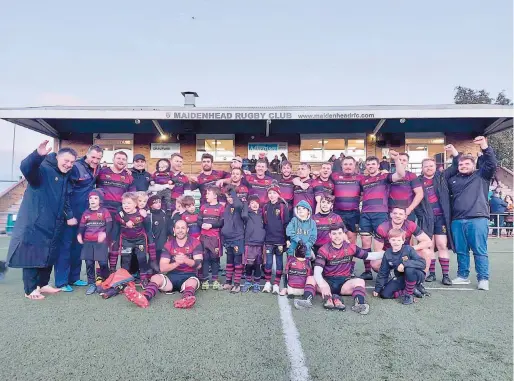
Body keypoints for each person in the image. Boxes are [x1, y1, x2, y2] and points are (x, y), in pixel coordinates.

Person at [6, 141, 77, 300]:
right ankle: (30, 289)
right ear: (57, 157)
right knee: (32, 254)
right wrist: (37, 155)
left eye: (72, 162)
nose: (69, 164)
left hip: (54, 222)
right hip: (36, 222)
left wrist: (69, 215)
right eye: (66, 161)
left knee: (50, 253)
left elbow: (64, 198)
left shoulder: (65, 175)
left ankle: (43, 284)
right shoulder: (43, 169)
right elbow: (26, 168)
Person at [448, 136, 497, 290]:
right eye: (461, 164)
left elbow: (491, 163)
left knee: (479, 250)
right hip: (457, 220)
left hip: (477, 219)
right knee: (461, 251)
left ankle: (483, 279)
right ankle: (463, 276)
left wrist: (484, 146)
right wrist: (455, 155)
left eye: (467, 163)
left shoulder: (481, 176)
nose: (463, 166)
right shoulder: (452, 179)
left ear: (473, 164)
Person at [123, 219, 203, 309]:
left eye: (183, 228)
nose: (180, 230)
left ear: (187, 230)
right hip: (172, 277)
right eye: (178, 228)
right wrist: (177, 263)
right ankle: (144, 298)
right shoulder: (168, 244)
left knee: (192, 282)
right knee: (155, 277)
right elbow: (163, 268)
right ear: (174, 230)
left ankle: (186, 299)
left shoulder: (195, 242)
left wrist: (186, 260)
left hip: (189, 276)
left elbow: (199, 264)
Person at [55, 144, 103, 292]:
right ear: (87, 155)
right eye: (93, 157)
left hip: (84, 215)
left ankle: (74, 278)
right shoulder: (75, 167)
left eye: (98, 158)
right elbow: (65, 193)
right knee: (65, 247)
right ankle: (62, 282)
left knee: (78, 247)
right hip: (70, 215)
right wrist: (68, 215)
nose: (95, 160)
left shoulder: (97, 168)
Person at [314, 224, 384, 313]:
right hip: (327, 283)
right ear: (330, 235)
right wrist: (322, 284)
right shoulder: (323, 249)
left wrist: (388, 253)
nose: (337, 236)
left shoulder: (350, 247)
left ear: (343, 234)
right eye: (334, 234)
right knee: (310, 278)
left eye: (339, 233)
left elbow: (369, 256)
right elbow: (317, 271)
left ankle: (359, 304)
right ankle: (307, 301)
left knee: (360, 281)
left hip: (344, 284)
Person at [359, 151, 405, 280]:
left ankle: (387, 270)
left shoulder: (384, 177)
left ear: (378, 165)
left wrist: (396, 160)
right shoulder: (363, 180)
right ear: (366, 166)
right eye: (368, 164)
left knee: (383, 243)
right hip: (365, 214)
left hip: (380, 213)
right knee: (365, 242)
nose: (371, 166)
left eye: (373, 164)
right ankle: (367, 271)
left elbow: (401, 174)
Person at [415, 156, 455, 285]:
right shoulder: (417, 181)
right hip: (426, 219)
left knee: (442, 245)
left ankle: (445, 275)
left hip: (441, 218)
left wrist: (454, 153)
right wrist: (421, 216)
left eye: (431, 165)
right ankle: (431, 273)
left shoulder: (442, 177)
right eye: (426, 166)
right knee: (429, 245)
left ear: (435, 167)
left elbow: (455, 166)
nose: (429, 168)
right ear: (422, 168)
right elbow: (415, 201)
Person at [96, 150, 136, 269]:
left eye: (124, 159)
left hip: (119, 212)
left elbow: (132, 196)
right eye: (118, 158)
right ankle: (100, 273)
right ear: (113, 159)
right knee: (101, 242)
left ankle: (112, 270)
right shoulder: (102, 172)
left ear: (126, 162)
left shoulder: (128, 176)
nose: (121, 161)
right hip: (102, 212)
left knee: (114, 242)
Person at [110, 192, 158, 288]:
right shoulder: (120, 214)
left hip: (140, 240)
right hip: (126, 240)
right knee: (126, 260)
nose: (126, 205)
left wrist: (150, 241)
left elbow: (148, 229)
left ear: (135, 204)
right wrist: (126, 220)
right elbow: (119, 211)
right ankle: (125, 280)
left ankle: (143, 279)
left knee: (142, 259)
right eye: (124, 203)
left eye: (129, 203)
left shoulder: (142, 214)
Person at [373, 229, 427, 305]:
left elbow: (422, 263)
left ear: (403, 240)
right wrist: (377, 288)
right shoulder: (387, 253)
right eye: (393, 240)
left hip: (416, 275)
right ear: (389, 240)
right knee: (384, 294)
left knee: (409, 269)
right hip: (402, 277)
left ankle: (409, 295)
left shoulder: (409, 249)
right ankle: (410, 290)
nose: (396, 242)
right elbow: (383, 272)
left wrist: (405, 264)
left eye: (398, 240)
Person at [372, 207, 432, 274]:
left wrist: (410, 249)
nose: (397, 216)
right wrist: (394, 256)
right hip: (388, 254)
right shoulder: (382, 227)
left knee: (427, 252)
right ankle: (388, 274)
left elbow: (428, 242)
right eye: (395, 213)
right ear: (391, 215)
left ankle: (420, 280)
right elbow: (378, 250)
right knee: (375, 263)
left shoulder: (410, 225)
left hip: (406, 255)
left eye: (400, 214)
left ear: (405, 216)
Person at [77, 189, 112, 295]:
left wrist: (105, 233)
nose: (93, 200)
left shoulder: (104, 211)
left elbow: (109, 225)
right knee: (89, 263)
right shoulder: (86, 213)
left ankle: (106, 281)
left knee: (103, 263)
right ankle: (91, 283)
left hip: (101, 243)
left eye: (95, 198)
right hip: (88, 242)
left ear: (100, 200)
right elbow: (82, 226)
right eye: (91, 198)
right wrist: (79, 234)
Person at [263, 186, 291, 294]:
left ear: (278, 194)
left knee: (279, 263)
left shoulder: (283, 207)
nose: (272, 195)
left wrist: (287, 238)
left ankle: (276, 284)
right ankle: (267, 283)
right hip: (269, 240)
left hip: (280, 240)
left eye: (274, 193)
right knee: (268, 262)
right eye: (270, 193)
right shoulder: (265, 207)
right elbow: (264, 223)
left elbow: (286, 224)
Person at [331, 156, 362, 246]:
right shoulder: (334, 176)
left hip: (354, 213)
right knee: (338, 237)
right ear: (342, 165)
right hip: (337, 213)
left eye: (350, 164)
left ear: (354, 165)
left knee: (352, 237)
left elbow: (364, 193)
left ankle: (350, 259)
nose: (348, 166)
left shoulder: (360, 178)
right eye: (345, 164)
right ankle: (339, 259)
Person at [198, 186, 224, 290]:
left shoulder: (221, 207)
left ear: (215, 196)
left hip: (215, 238)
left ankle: (215, 280)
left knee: (215, 259)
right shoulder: (203, 207)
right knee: (205, 259)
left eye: (208, 194)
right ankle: (204, 280)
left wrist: (211, 226)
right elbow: (199, 220)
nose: (206, 195)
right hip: (204, 237)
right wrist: (202, 225)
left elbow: (222, 222)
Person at [221, 186, 245, 293]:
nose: (230, 198)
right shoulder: (227, 207)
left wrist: (233, 193)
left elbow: (237, 204)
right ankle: (228, 282)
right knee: (229, 261)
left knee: (237, 261)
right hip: (228, 239)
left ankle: (237, 284)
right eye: (228, 196)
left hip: (237, 238)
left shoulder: (241, 205)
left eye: (231, 196)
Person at [279, 241, 317, 308]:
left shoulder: (290, 259)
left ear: (295, 252)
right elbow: (309, 276)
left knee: (285, 273)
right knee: (311, 278)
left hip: (291, 289)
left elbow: (285, 272)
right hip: (303, 290)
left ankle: (285, 289)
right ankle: (307, 295)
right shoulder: (307, 262)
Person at [241, 194, 266, 293]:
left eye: (256, 203)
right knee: (249, 264)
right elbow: (244, 215)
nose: (254, 205)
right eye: (252, 203)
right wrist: (245, 204)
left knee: (257, 264)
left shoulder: (262, 214)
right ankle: (248, 281)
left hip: (260, 244)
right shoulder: (247, 214)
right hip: (249, 243)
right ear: (249, 205)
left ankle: (256, 283)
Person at [389, 153, 423, 222]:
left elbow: (420, 194)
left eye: (404, 160)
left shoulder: (412, 176)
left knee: (407, 232)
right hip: (391, 213)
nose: (401, 162)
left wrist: (410, 209)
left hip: (406, 213)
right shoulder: (389, 176)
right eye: (399, 159)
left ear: (407, 163)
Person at [147, 194, 170, 262]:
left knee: (161, 257)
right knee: (153, 258)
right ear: (151, 205)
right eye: (156, 203)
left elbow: (167, 225)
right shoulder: (149, 215)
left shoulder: (163, 213)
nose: (158, 204)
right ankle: (151, 270)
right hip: (154, 241)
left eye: (159, 202)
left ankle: (159, 271)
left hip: (163, 240)